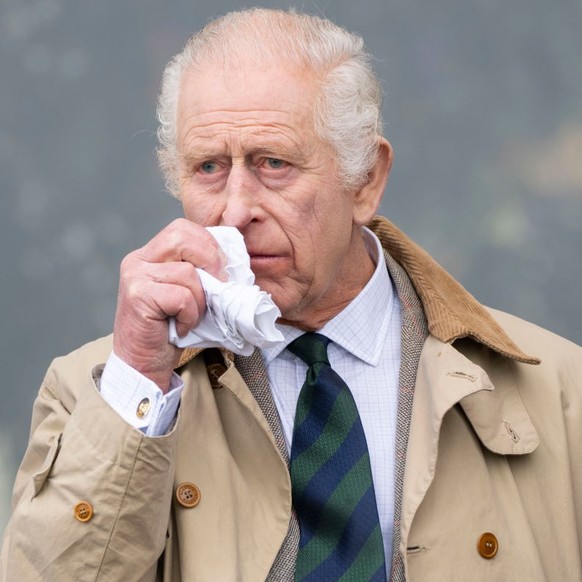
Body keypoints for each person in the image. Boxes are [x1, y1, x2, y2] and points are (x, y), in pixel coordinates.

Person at [2, 8, 581, 582]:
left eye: (272, 163)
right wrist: (139, 379)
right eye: (207, 167)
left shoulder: (560, 391)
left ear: (366, 180)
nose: (234, 209)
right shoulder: (101, 393)